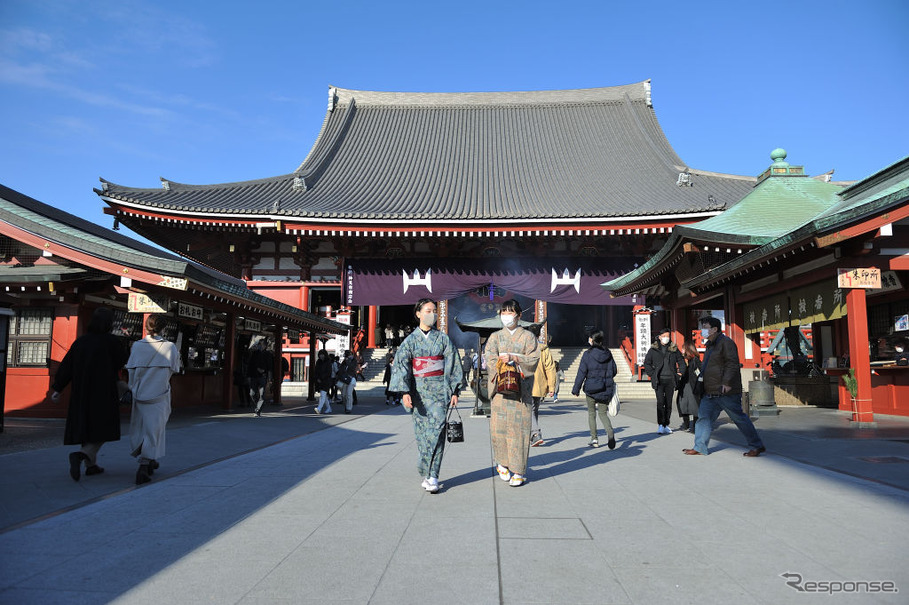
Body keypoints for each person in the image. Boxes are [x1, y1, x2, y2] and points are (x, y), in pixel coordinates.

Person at [389, 298, 462, 494]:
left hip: (439, 391)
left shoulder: (443, 339)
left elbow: (453, 362)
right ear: (418, 314)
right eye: (428, 310)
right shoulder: (410, 341)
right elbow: (402, 366)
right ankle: (427, 472)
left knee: (437, 431)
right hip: (418, 392)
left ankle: (433, 475)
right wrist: (404, 392)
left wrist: (454, 390)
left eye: (434, 310)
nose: (432, 314)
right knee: (422, 434)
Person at [51, 307, 128, 482]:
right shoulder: (112, 342)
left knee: (87, 427)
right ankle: (81, 455)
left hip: (81, 392)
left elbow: (66, 367)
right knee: (103, 428)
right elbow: (122, 360)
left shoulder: (80, 342)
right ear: (109, 324)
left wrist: (58, 389)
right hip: (103, 392)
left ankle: (91, 466)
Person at [683, 317, 766, 457]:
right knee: (703, 417)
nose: (703, 329)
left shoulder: (726, 343)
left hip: (726, 391)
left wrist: (726, 383)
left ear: (715, 329)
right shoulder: (710, 344)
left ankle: (756, 445)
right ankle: (700, 446)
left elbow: (732, 364)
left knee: (739, 418)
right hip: (710, 391)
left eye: (705, 327)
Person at [485, 299, 540, 487]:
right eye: (504, 312)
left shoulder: (528, 337)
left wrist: (515, 359)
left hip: (520, 393)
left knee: (520, 431)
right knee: (498, 429)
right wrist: (501, 363)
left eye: (510, 312)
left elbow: (533, 359)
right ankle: (502, 463)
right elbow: (489, 357)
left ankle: (519, 470)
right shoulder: (494, 337)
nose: (506, 316)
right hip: (500, 391)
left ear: (519, 315)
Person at [126, 314, 181, 485]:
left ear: (146, 327)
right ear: (164, 328)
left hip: (140, 393)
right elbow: (174, 369)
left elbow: (131, 371)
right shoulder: (169, 347)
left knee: (141, 428)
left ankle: (150, 459)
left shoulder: (136, 346)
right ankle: (144, 464)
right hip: (159, 393)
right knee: (155, 429)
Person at [572, 330, 618, 449]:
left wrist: (576, 389)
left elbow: (581, 372)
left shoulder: (587, 354)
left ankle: (594, 439)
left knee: (592, 414)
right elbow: (614, 370)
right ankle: (610, 433)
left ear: (592, 340)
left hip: (591, 388)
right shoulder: (608, 353)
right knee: (603, 414)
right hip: (605, 388)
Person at [643, 327, 684, 435]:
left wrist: (680, 373)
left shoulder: (674, 349)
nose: (666, 338)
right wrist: (652, 374)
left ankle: (666, 424)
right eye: (664, 336)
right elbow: (647, 363)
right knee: (660, 402)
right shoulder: (653, 350)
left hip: (670, 379)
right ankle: (660, 424)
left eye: (668, 336)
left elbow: (681, 361)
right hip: (659, 380)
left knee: (669, 403)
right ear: (660, 337)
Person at [528, 327, 556, 447]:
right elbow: (550, 368)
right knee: (534, 410)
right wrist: (551, 387)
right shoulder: (544, 349)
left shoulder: (525, 348)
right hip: (539, 384)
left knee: (529, 410)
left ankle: (535, 434)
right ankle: (533, 435)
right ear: (539, 335)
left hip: (527, 383)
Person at [676, 340, 701, 432]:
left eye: (683, 349)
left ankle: (695, 426)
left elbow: (700, 373)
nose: (682, 351)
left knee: (694, 407)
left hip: (693, 386)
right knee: (683, 405)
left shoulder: (695, 361)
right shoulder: (683, 361)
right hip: (684, 386)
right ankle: (686, 424)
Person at [248, 340, 270, 417]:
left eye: (260, 344)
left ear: (264, 346)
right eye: (258, 344)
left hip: (263, 377)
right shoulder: (254, 353)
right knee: (252, 393)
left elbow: (270, 366)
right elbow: (250, 364)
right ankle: (258, 405)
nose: (259, 346)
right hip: (254, 376)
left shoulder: (268, 354)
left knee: (262, 395)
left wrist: (265, 372)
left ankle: (258, 410)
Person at [313, 350, 334, 414]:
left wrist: (322, 378)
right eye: (320, 354)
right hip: (319, 381)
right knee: (324, 396)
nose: (321, 356)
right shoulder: (318, 362)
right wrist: (317, 378)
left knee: (322, 395)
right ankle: (328, 408)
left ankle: (319, 408)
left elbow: (329, 372)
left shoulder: (328, 362)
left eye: (322, 354)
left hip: (326, 380)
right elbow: (316, 371)